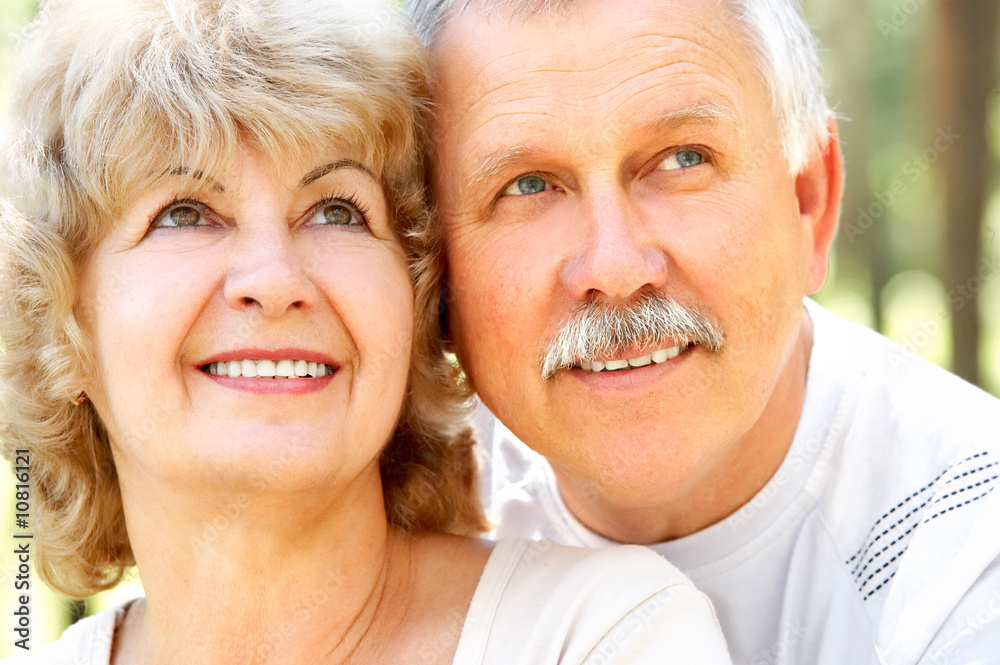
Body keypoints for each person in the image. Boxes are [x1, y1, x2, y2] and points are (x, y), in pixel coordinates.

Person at [0, 1, 735, 663]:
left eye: (337, 210)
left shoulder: (605, 635)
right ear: (62, 323)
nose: (276, 278)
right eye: (185, 213)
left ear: (414, 302)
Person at [401, 0, 1000, 663]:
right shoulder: (377, 532)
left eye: (683, 158)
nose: (616, 267)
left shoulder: (971, 547)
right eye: (528, 184)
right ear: (436, 272)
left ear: (810, 201)